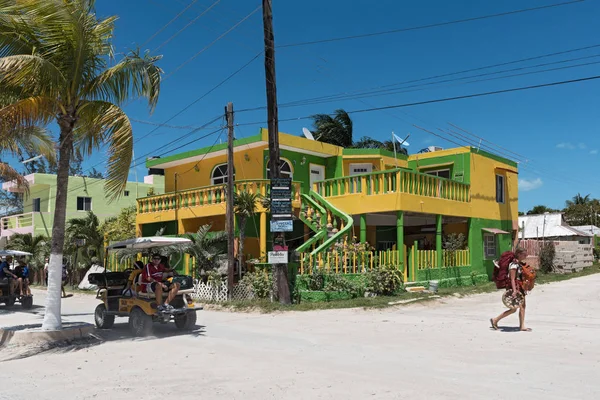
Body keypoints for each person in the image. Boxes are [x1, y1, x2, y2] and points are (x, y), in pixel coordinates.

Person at [490, 248, 531, 332]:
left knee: (522, 306)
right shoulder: (513, 264)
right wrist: (514, 291)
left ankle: (522, 326)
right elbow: (512, 279)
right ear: (519, 254)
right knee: (514, 308)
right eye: (524, 254)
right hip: (514, 287)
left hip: (519, 286)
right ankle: (495, 320)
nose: (526, 256)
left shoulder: (518, 263)